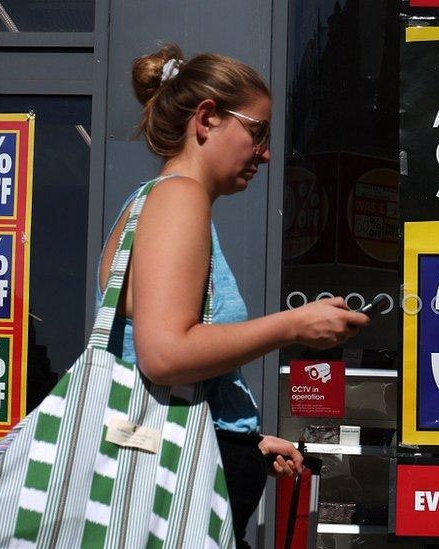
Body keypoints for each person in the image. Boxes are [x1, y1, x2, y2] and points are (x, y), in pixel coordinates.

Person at [95, 43, 369, 548]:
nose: (265, 153)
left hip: (178, 473)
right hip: (177, 504)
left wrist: (245, 440)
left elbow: (156, 360)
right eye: (257, 132)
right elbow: (164, 355)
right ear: (207, 119)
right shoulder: (178, 199)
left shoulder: (156, 202)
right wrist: (293, 325)